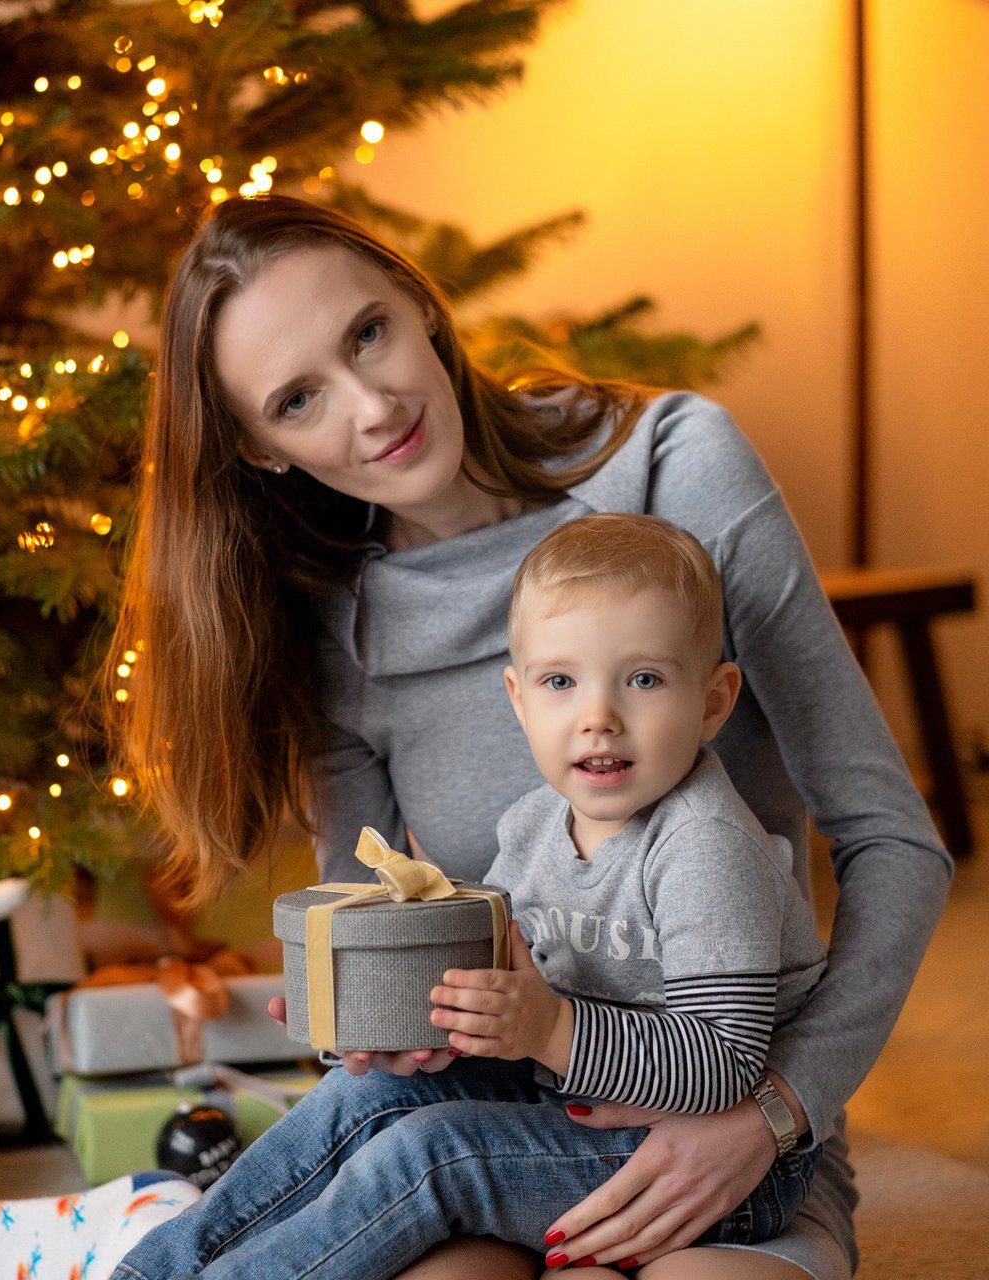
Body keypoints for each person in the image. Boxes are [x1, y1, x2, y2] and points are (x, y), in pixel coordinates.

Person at [104, 193, 951, 1279]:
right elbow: (378, 937)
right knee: (405, 1187)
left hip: (735, 1140)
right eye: (299, 398)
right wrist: (378, 1024)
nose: (372, 405)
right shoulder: (338, 622)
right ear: (257, 448)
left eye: (368, 332)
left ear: (418, 302)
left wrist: (775, 1114)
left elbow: (892, 840)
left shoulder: (673, 468)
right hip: (496, 1117)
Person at [111, 513, 829, 1280]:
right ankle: (153, 1269)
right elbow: (496, 990)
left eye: (643, 679)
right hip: (567, 1104)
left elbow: (724, 1065)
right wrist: (381, 1011)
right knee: (369, 1098)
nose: (599, 717)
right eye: (561, 681)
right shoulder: (531, 828)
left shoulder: (707, 847)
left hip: (715, 1163)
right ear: (518, 699)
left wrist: (552, 1028)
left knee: (433, 1156)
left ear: (714, 701)